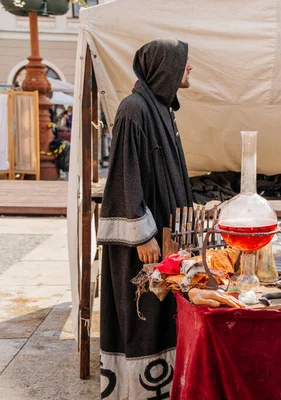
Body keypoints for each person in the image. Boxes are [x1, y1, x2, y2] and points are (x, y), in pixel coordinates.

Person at [96, 39, 194, 399]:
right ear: (166, 67)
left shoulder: (161, 110)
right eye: (184, 63)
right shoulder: (133, 110)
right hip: (144, 244)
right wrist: (141, 236)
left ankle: (163, 389)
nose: (190, 69)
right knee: (143, 319)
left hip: (161, 241)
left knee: (161, 317)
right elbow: (124, 176)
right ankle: (137, 392)